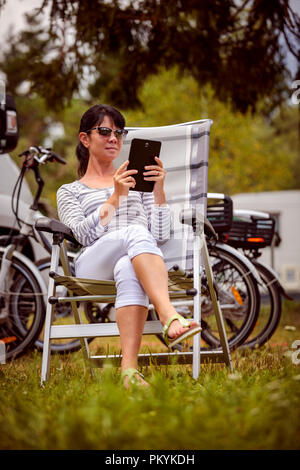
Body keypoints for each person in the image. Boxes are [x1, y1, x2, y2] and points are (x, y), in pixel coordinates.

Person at [57, 104, 201, 388]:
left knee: (129, 264)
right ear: (85, 139)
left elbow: (159, 234)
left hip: (137, 260)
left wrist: (159, 189)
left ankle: (129, 372)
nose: (114, 138)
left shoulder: (137, 182)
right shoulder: (70, 191)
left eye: (119, 133)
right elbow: (83, 237)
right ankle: (169, 314)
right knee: (134, 231)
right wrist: (115, 197)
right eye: (105, 131)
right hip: (92, 267)